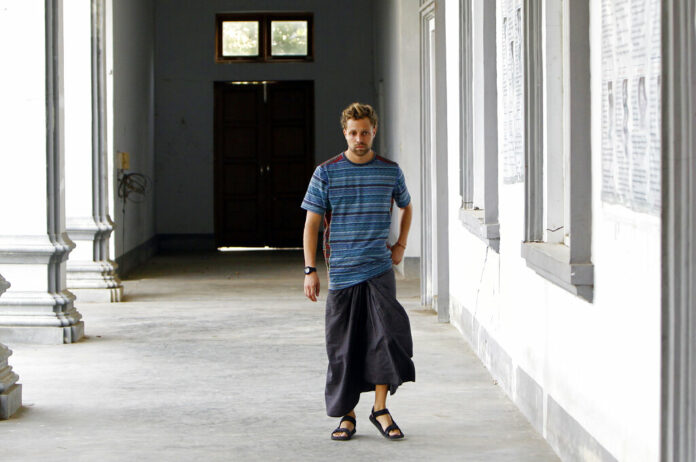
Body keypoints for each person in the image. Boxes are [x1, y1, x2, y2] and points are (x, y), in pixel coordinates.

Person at [301, 102, 415, 441]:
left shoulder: (389, 171)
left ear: (374, 131)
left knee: (385, 339)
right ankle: (346, 415)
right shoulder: (326, 172)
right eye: (353, 132)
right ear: (345, 133)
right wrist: (310, 269)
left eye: (365, 132)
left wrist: (401, 246)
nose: (359, 138)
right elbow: (311, 224)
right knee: (343, 346)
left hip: (379, 269)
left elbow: (407, 206)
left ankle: (380, 409)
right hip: (342, 271)